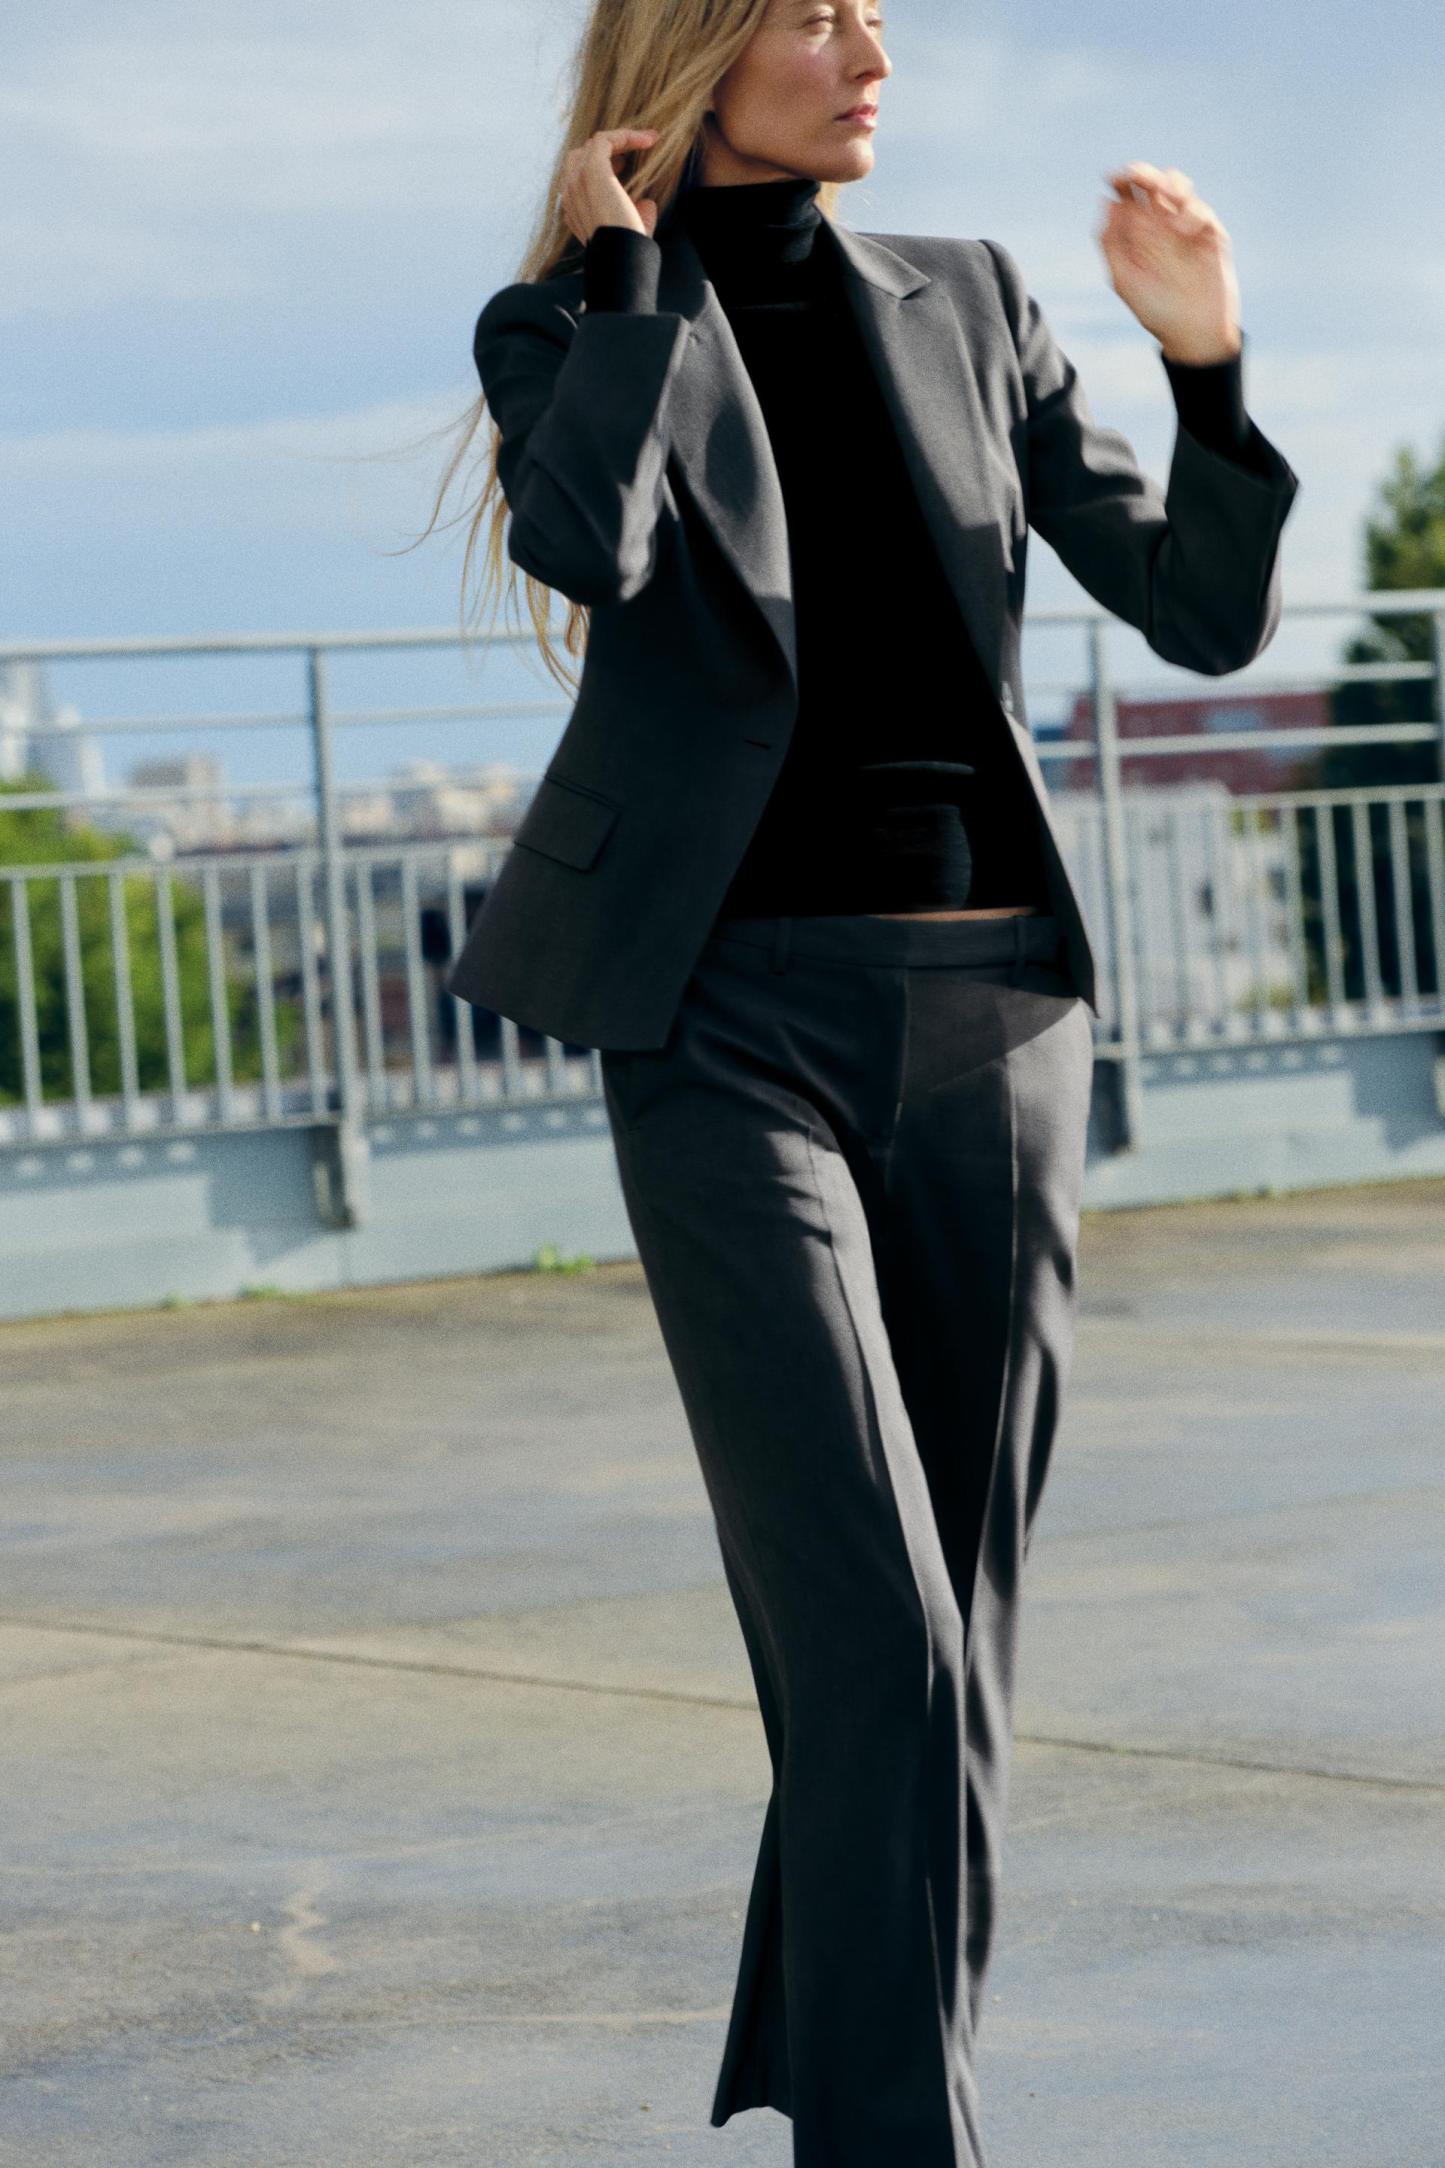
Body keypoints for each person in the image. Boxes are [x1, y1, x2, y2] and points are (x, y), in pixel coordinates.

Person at [436, 4, 1301, 2160]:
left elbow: (1199, 616)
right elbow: (587, 545)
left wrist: (1204, 365)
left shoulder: (972, 300)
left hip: (995, 1015)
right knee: (875, 1632)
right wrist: (628, 278)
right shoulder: (566, 328)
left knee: (948, 1655)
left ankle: (867, 2106)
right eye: (814, 12)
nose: (867, 47)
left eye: (873, 10)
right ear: (699, 47)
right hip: (722, 1026)